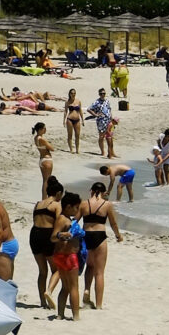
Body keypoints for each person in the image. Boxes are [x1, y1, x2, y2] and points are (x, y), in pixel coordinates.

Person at [79, 181, 120, 310]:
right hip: (100, 236)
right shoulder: (107, 205)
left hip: (86, 235)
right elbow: (113, 223)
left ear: (91, 190)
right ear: (104, 193)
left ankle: (86, 289)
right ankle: (98, 305)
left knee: (89, 266)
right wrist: (118, 235)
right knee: (100, 272)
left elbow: (75, 220)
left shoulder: (84, 203)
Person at [27, 177, 64, 309]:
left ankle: (42, 302)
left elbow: (35, 220)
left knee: (42, 271)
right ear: (58, 193)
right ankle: (48, 291)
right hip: (48, 235)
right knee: (58, 269)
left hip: (34, 235)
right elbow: (60, 222)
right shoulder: (56, 205)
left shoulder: (38, 204)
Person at [49, 192, 85, 321]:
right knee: (73, 287)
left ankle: (60, 314)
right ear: (68, 206)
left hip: (61, 256)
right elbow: (53, 237)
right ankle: (76, 316)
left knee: (65, 287)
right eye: (76, 207)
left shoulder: (66, 219)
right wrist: (61, 235)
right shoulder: (63, 219)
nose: (77, 210)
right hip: (68, 256)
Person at [89, 89, 117, 157]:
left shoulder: (107, 101)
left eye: (104, 93)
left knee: (110, 136)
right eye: (101, 93)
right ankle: (102, 152)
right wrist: (95, 115)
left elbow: (109, 110)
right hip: (101, 121)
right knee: (101, 136)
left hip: (108, 120)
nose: (102, 95)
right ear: (99, 94)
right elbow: (89, 109)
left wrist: (111, 118)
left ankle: (111, 152)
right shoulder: (97, 102)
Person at [31, 123, 57, 192]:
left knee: (45, 180)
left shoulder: (36, 138)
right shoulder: (41, 139)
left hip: (42, 159)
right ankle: (44, 198)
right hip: (46, 159)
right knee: (47, 181)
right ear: (40, 129)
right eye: (44, 128)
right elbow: (52, 148)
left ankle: (44, 197)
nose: (45, 130)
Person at [63, 89, 84, 153]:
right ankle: (71, 149)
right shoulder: (67, 102)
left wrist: (83, 119)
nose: (73, 94)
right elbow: (66, 111)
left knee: (77, 135)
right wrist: (64, 120)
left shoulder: (78, 101)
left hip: (77, 120)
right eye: (72, 93)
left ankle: (77, 150)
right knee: (70, 135)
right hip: (70, 119)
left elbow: (80, 111)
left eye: (74, 93)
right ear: (69, 94)